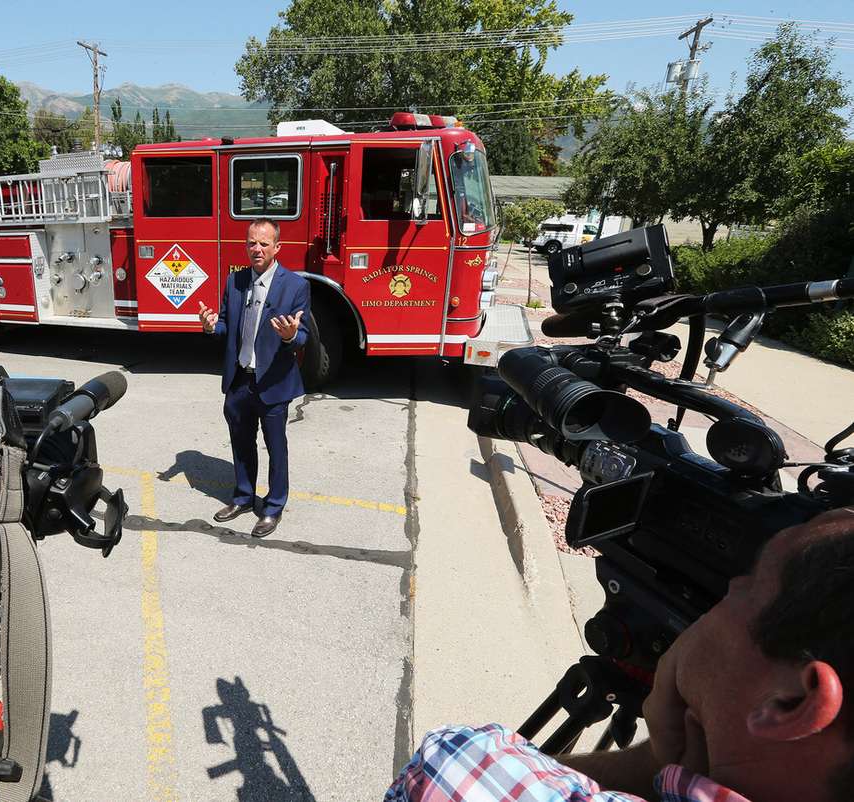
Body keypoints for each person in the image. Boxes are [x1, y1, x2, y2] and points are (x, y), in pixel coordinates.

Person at [387, 508, 854, 802]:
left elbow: (460, 767)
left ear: (792, 702)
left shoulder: (460, 771)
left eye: (750, 583)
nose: (728, 587)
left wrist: (657, 763)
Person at [197, 218, 310, 538]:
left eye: (263, 243)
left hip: (273, 383)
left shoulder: (296, 286)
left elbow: (302, 337)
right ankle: (244, 496)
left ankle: (273, 507)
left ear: (277, 247)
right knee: (241, 442)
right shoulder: (235, 281)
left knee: (276, 448)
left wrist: (290, 336)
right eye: (251, 243)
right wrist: (210, 326)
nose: (256, 249)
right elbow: (225, 327)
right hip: (239, 381)